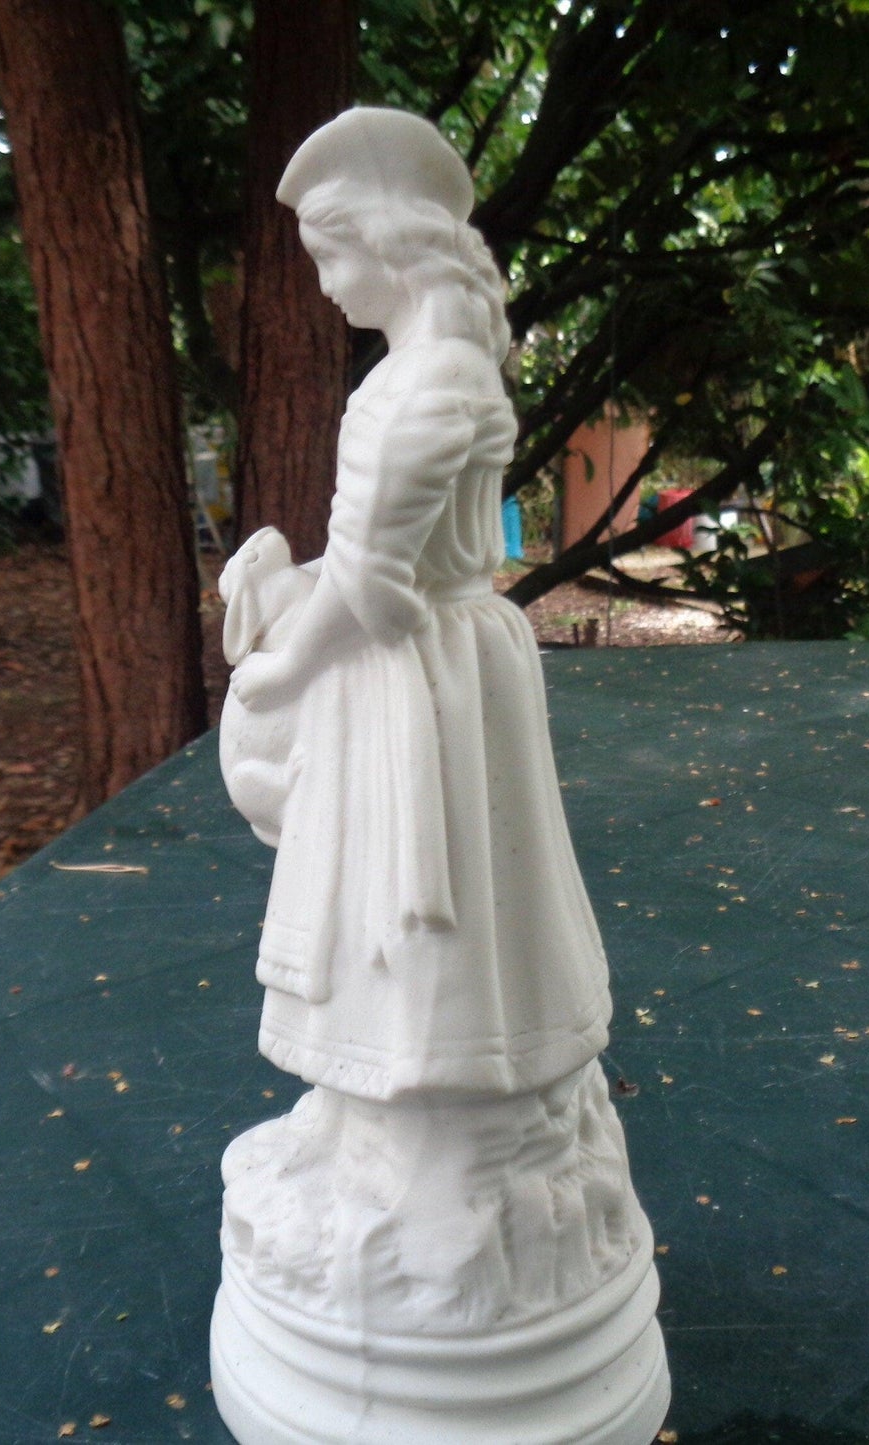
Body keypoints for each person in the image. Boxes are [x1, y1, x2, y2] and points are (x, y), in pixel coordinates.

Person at [225, 108, 613, 1102]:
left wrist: (282, 664)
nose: (321, 283)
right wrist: (292, 584)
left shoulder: (425, 384)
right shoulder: (434, 369)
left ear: (387, 240)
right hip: (432, 646)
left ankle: (444, 1104)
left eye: (327, 253)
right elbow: (370, 561)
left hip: (409, 667)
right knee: (443, 889)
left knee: (432, 895)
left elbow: (370, 576)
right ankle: (402, 1111)